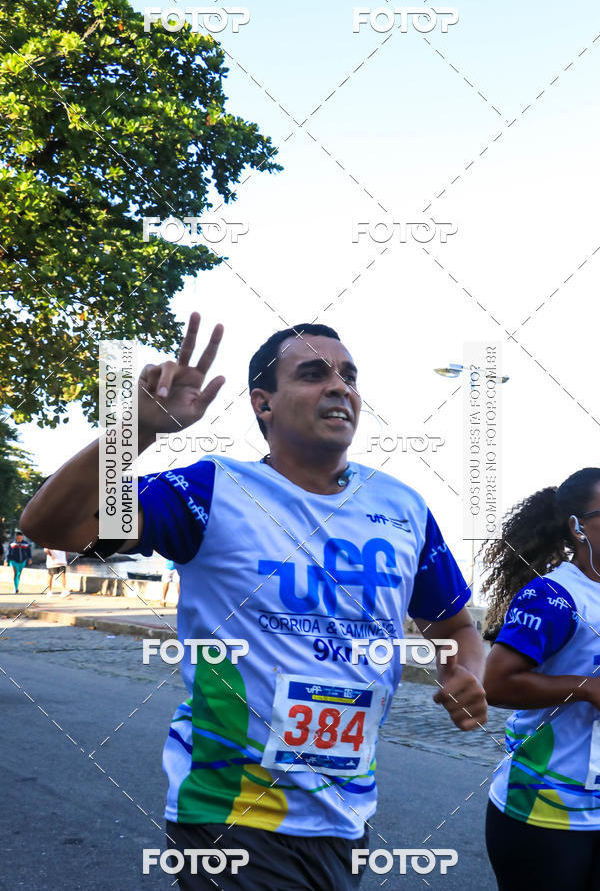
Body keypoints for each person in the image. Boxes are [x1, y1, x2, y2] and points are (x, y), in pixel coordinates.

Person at [21, 313, 487, 890]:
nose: (340, 387)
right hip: (228, 813)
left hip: (346, 814)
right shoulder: (210, 490)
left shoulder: (402, 506)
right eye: (314, 374)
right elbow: (56, 525)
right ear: (263, 404)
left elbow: (458, 626)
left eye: (349, 375)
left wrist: (464, 672)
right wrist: (131, 432)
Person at [481, 468, 600, 891]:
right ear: (577, 527)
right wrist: (587, 689)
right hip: (545, 813)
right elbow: (496, 684)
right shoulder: (553, 596)